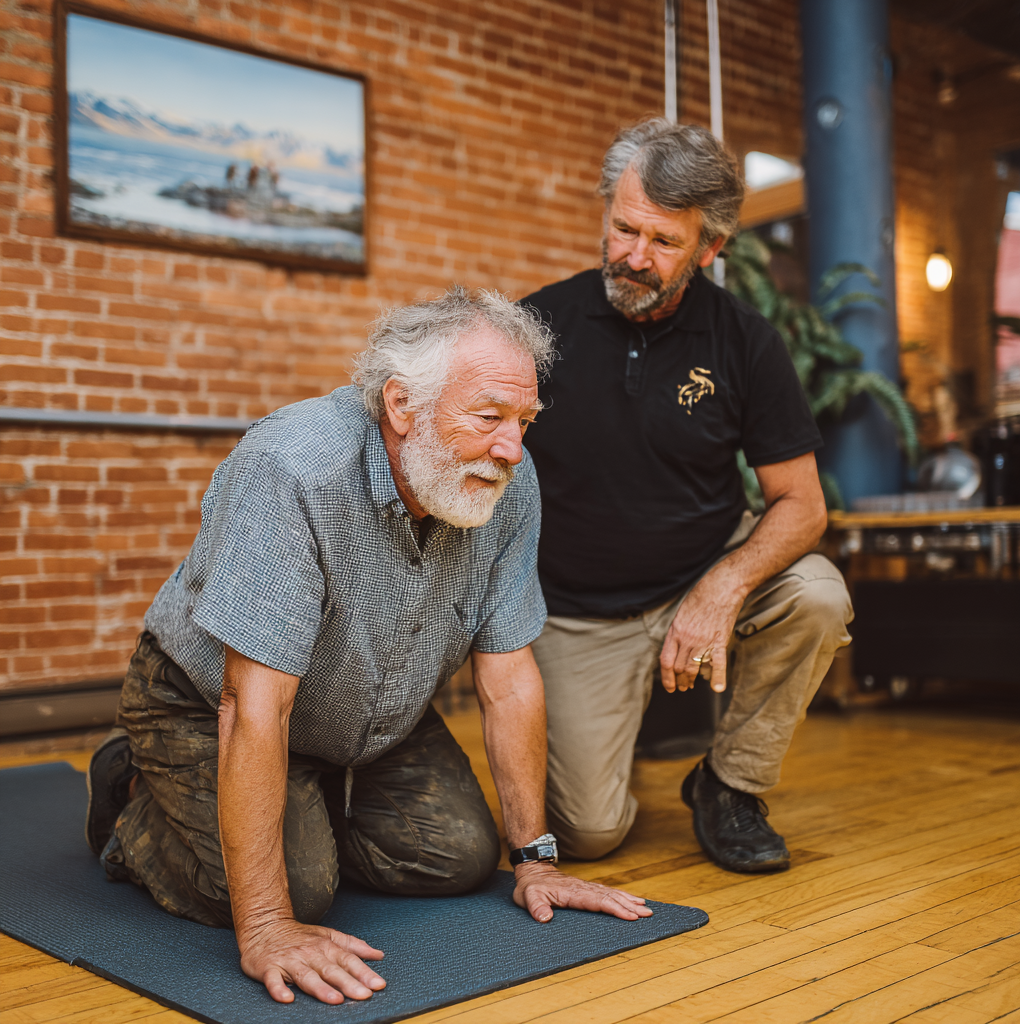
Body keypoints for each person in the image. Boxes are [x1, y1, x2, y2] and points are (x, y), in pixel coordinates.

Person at [84, 288, 651, 1008]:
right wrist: (267, 924)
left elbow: (509, 679)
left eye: (524, 421)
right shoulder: (292, 468)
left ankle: (305, 804)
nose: (511, 448)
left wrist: (536, 861)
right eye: (488, 418)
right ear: (402, 405)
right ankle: (131, 791)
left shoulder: (509, 482)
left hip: (368, 711)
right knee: (299, 890)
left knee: (459, 855)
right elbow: (252, 706)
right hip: (204, 703)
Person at [522, 119, 853, 874]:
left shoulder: (747, 342)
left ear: (711, 248)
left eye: (664, 242)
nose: (635, 258)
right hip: (577, 610)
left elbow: (802, 504)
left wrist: (723, 587)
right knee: (589, 835)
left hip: (701, 571)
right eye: (624, 229)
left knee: (817, 596)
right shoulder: (538, 326)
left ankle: (729, 784)